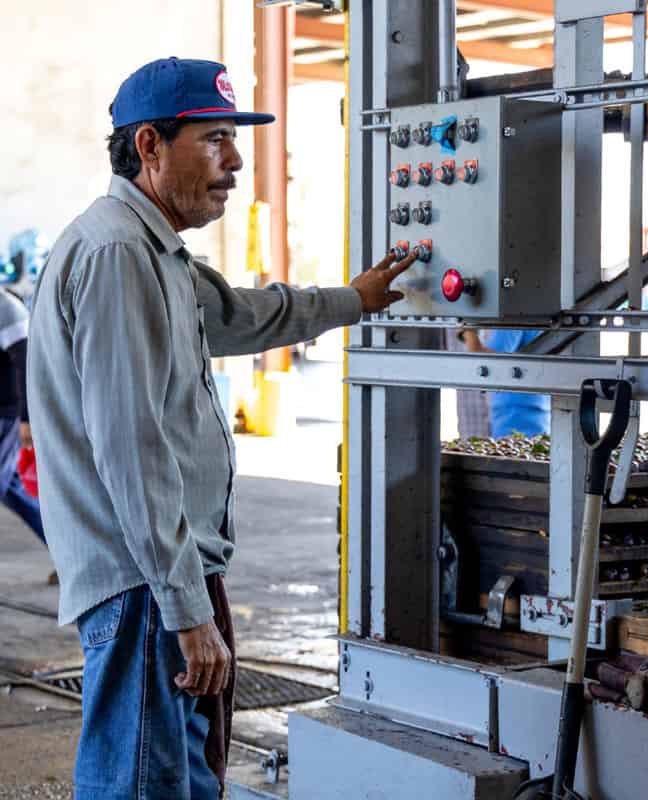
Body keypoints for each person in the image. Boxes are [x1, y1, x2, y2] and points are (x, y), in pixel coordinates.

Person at [27, 58, 414, 799]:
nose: (234, 162)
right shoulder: (116, 253)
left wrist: (354, 300)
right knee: (142, 784)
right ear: (149, 145)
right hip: (144, 582)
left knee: (184, 779)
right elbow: (132, 450)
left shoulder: (155, 251)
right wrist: (183, 607)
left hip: (165, 574)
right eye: (214, 140)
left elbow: (240, 314)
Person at [0, 290, 47, 554]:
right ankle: (67, 554)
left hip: (6, 416)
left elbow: (25, 362)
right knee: (16, 492)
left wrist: (27, 418)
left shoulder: (5, 306)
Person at [460, 329, 550, 437]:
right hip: (534, 410)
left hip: (515, 414)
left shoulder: (514, 318)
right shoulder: (537, 317)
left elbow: (488, 364)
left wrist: (467, 331)